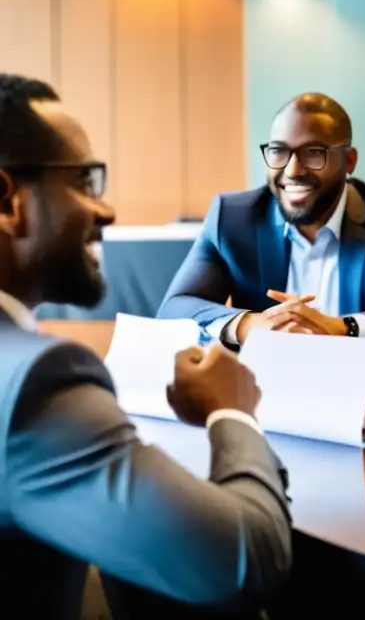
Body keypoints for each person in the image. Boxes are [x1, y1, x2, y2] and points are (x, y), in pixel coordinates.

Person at [0, 75, 291, 618]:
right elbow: (246, 561)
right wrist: (234, 411)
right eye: (85, 181)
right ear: (7, 200)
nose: (105, 209)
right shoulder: (37, 383)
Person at [158, 92, 365, 361]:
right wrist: (249, 325)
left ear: (349, 162)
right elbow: (174, 309)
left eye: (313, 153)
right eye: (278, 152)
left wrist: (342, 328)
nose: (292, 171)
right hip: (263, 394)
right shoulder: (233, 217)